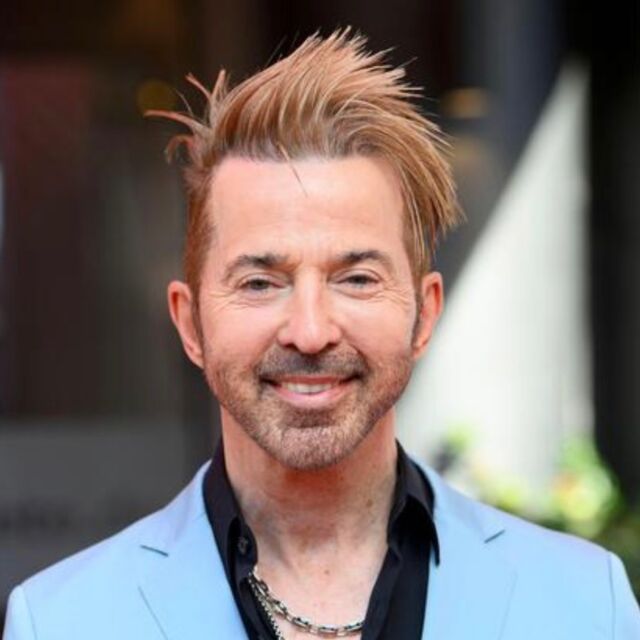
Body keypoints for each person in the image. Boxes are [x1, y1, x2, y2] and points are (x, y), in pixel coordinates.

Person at [3, 30, 639, 640]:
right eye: (260, 282)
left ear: (424, 315)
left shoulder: (586, 603)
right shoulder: (59, 623)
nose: (310, 332)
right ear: (190, 324)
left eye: (356, 279)